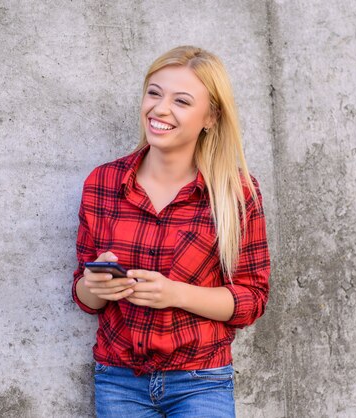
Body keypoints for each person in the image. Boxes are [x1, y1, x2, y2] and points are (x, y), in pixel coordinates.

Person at [72, 45, 270, 417]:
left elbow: (251, 299)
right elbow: (85, 298)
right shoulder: (103, 183)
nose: (160, 109)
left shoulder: (236, 192)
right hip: (118, 378)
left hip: (202, 380)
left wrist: (175, 293)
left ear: (210, 116)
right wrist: (94, 285)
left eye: (181, 101)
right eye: (154, 93)